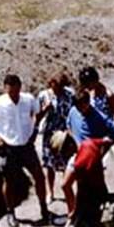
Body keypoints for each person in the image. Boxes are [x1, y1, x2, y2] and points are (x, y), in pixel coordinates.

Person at [0, 74, 51, 227]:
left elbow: (37, 113)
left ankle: (44, 209)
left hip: (26, 146)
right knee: (9, 182)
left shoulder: (28, 99)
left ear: (20, 87)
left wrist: (35, 128)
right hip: (8, 148)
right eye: (10, 91)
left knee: (39, 176)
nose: (13, 94)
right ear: (5, 89)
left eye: (15, 91)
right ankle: (10, 213)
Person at [62, 93, 114, 227]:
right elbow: (68, 126)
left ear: (88, 102)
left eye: (82, 105)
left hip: (90, 156)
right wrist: (73, 141)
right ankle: (73, 212)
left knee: (88, 189)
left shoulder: (99, 117)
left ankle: (90, 219)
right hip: (77, 154)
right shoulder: (73, 112)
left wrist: (105, 148)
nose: (80, 109)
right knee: (67, 185)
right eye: (77, 106)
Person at [36, 72, 75, 204]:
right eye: (55, 85)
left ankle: (67, 190)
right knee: (49, 164)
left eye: (60, 85)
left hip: (65, 133)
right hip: (49, 133)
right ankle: (50, 192)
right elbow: (36, 116)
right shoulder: (43, 96)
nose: (57, 88)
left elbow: (74, 111)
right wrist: (44, 110)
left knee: (66, 162)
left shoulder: (69, 94)